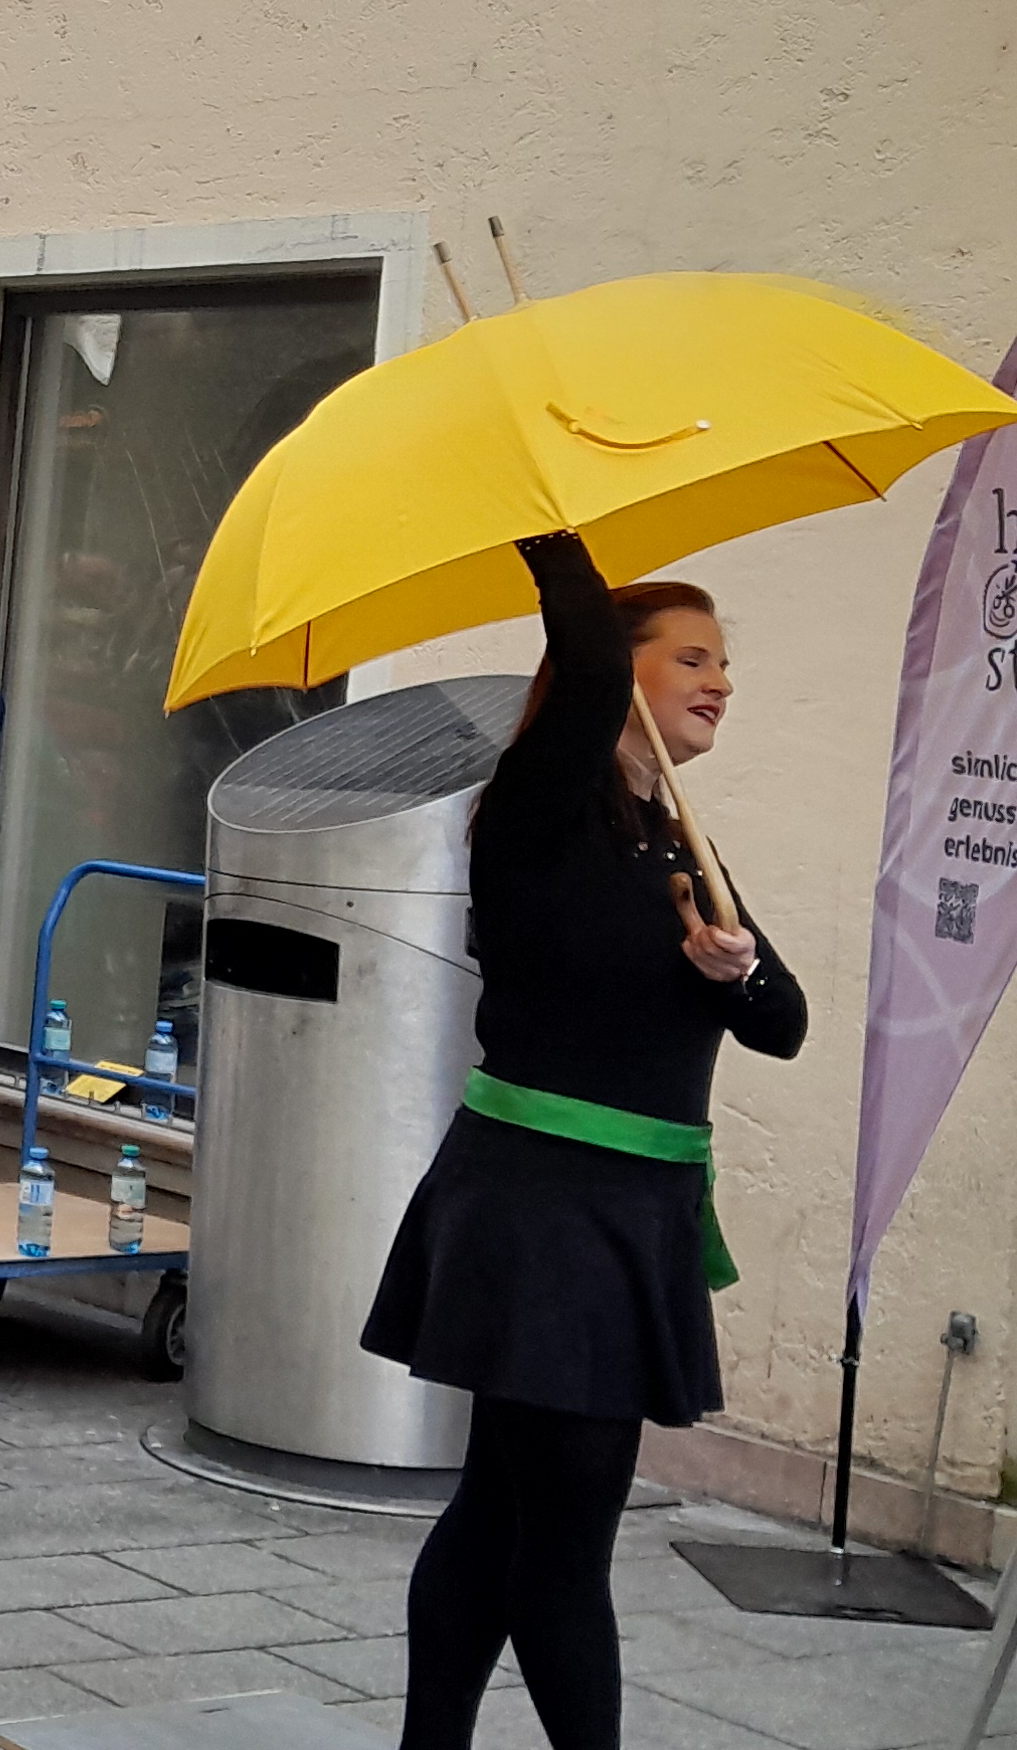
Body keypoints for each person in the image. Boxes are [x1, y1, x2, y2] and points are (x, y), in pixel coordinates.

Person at [365, 537, 800, 1750]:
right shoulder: (535, 816)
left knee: (501, 1513)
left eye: (729, 663)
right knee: (565, 1546)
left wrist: (736, 964)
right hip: (538, 1209)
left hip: (633, 1214)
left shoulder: (682, 844)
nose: (720, 681)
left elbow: (786, 1027)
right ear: (617, 677)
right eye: (694, 657)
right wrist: (558, 531)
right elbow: (589, 666)